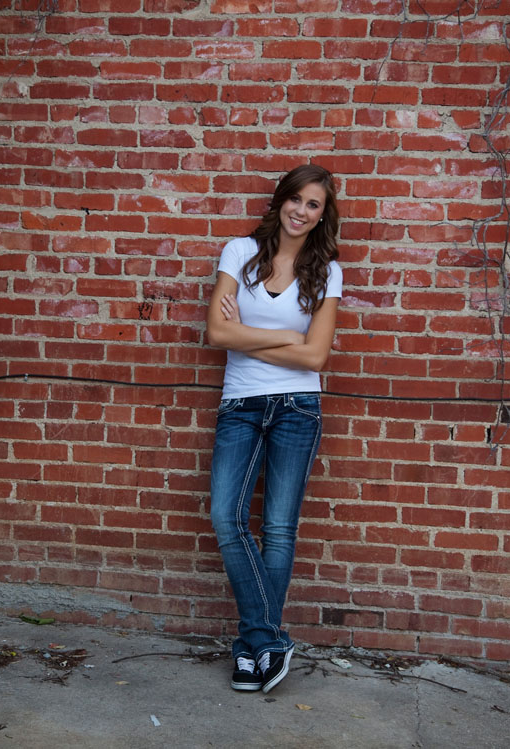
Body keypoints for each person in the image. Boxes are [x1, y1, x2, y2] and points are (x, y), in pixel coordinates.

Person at [205, 163, 342, 694]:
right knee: (226, 517)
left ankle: (250, 651)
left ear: (322, 215)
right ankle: (268, 642)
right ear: (280, 199)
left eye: (313, 204)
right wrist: (287, 339)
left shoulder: (327, 272)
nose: (301, 211)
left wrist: (249, 333)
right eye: (296, 199)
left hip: (298, 408)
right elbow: (217, 333)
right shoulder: (240, 252)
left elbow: (316, 357)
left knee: (279, 529)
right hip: (240, 403)